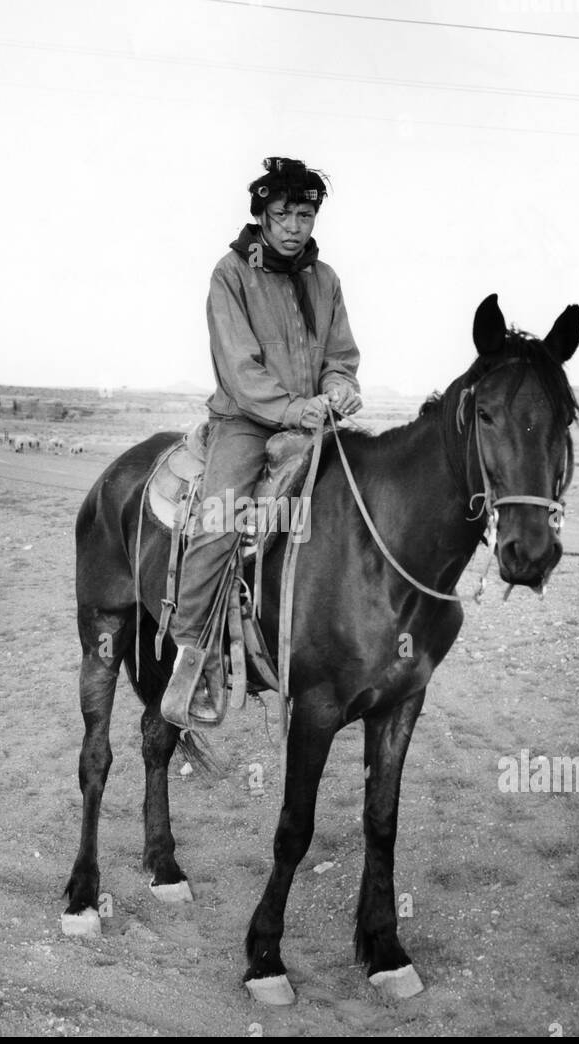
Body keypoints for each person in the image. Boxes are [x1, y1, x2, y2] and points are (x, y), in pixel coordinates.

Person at [160, 156, 363, 729]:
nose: (294, 225)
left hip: (313, 418)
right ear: (261, 216)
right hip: (248, 420)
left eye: (305, 213)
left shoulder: (326, 280)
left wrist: (340, 390)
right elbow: (240, 368)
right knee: (221, 519)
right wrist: (296, 408)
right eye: (282, 214)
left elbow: (340, 356)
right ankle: (192, 662)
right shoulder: (231, 272)